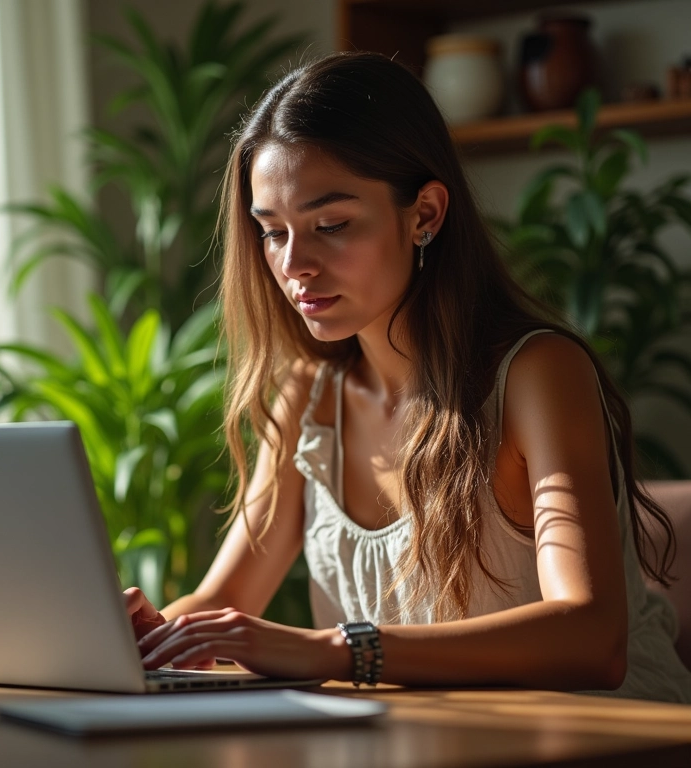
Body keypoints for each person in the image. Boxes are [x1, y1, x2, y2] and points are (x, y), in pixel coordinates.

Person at [125, 51, 691, 702]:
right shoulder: (309, 399)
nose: (294, 264)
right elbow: (223, 599)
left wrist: (331, 650)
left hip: (611, 737)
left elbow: (592, 640)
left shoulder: (534, 374)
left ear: (424, 214)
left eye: (330, 225)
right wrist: (144, 633)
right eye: (272, 231)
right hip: (430, 740)